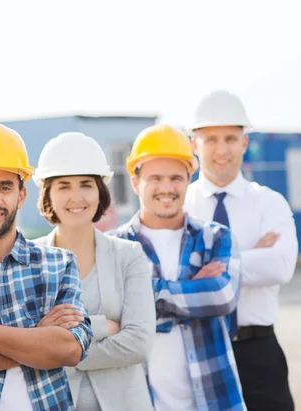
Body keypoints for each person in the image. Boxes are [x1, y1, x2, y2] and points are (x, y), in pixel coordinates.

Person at [0, 122, 94, 411]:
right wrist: (38, 336)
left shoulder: (59, 264)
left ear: (21, 195)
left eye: (4, 187)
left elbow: (69, 350)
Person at [109, 124, 246, 411]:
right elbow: (105, 320)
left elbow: (222, 296)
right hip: (143, 402)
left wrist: (140, 299)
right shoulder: (112, 248)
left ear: (188, 179)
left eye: (175, 178)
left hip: (216, 400)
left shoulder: (214, 237)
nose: (167, 188)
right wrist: (192, 293)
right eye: (155, 178)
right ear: (135, 183)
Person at [185, 89, 297, 411]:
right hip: (198, 346)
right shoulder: (181, 205)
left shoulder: (269, 202)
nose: (222, 150)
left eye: (231, 139)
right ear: (195, 145)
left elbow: (279, 266)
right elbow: (170, 272)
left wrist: (205, 268)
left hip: (258, 350)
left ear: (244, 143)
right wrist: (250, 256)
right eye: (211, 139)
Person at [31, 132, 156, 410]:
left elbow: (138, 343)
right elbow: (26, 342)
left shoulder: (129, 255)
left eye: (86, 184)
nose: (76, 197)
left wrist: (59, 351)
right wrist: (102, 326)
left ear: (100, 192)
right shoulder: (29, 259)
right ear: (48, 195)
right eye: (63, 186)